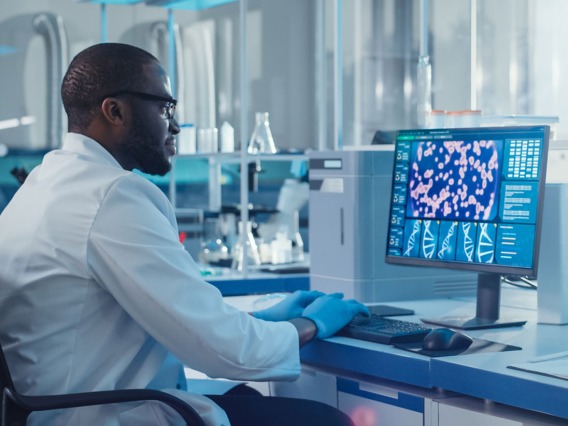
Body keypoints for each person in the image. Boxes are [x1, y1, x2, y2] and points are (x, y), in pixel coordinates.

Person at [0, 43, 368, 425]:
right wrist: (313, 325)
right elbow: (222, 351)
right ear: (115, 111)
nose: (174, 125)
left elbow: (171, 319)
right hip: (103, 415)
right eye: (164, 107)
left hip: (59, 409)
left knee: (243, 397)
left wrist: (266, 320)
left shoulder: (45, 183)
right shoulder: (110, 195)